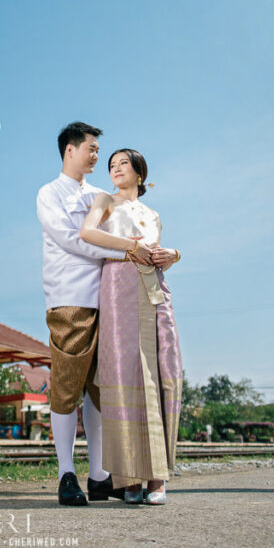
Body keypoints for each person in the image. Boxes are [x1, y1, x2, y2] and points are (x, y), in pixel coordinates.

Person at [36, 123, 171, 506]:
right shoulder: (49, 194)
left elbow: (134, 227)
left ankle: (98, 475)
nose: (98, 156)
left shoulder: (100, 196)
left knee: (102, 389)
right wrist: (126, 251)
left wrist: (162, 253)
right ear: (70, 151)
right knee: (67, 386)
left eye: (100, 150)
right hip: (70, 297)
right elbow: (72, 237)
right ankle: (66, 473)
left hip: (112, 298)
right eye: (92, 149)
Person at [79, 148, 181, 505]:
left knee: (160, 371)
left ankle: (158, 477)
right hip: (119, 284)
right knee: (123, 372)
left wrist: (173, 255)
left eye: (123, 163)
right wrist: (128, 248)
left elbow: (158, 252)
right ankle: (128, 479)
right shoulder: (105, 201)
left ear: (139, 172)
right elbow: (88, 233)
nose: (116, 169)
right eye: (111, 165)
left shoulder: (153, 214)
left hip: (154, 289)